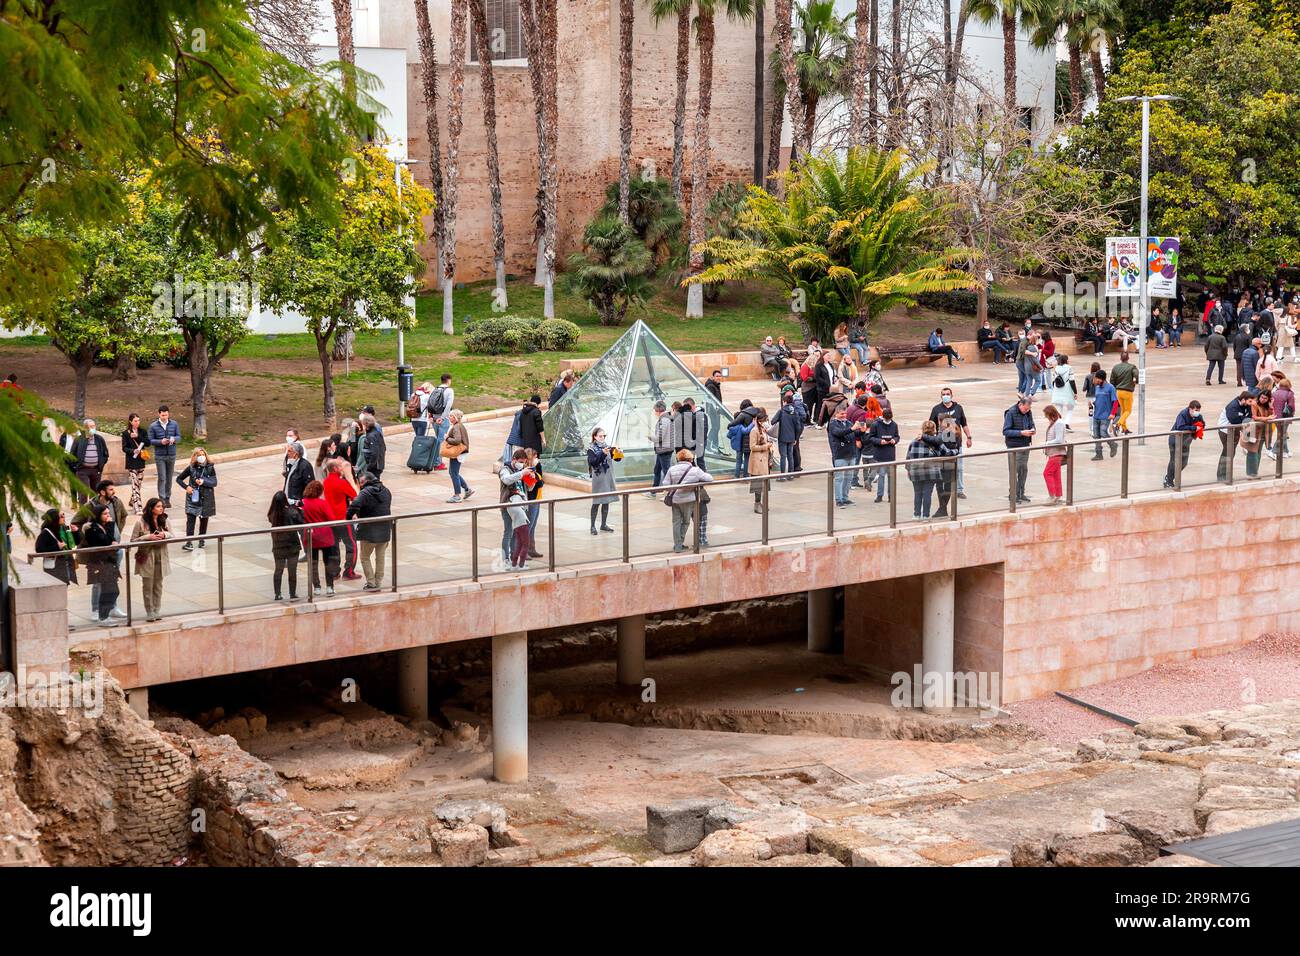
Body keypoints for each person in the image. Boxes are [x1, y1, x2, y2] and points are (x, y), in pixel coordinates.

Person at [348, 471, 392, 590]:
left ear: (363, 482)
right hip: (385, 529)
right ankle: (378, 582)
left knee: (365, 557)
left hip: (369, 531)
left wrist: (349, 516)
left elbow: (355, 504)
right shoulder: (386, 491)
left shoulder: (365, 492)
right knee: (380, 557)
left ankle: (371, 582)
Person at [663, 449, 713, 552]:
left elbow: (665, 484)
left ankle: (677, 545)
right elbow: (709, 478)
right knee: (685, 522)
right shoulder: (695, 470)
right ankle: (680, 542)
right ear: (690, 459)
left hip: (675, 500)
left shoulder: (672, 469)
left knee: (676, 522)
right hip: (689, 500)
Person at [80, 503, 122, 626]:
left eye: (108, 514)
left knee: (113, 590)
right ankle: (102, 617)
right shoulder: (92, 528)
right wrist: (110, 525)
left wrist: (110, 536)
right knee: (108, 590)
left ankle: (105, 615)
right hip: (99, 563)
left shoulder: (103, 526)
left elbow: (110, 539)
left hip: (108, 562)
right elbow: (105, 541)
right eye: (105, 514)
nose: (108, 516)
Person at [130, 497, 171, 622]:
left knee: (158, 585)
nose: (161, 508)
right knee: (148, 585)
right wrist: (148, 537)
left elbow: (172, 535)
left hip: (161, 555)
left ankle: (157, 610)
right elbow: (132, 540)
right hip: (147, 557)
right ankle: (149, 611)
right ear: (151, 508)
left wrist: (164, 534)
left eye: (161, 506)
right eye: (158, 506)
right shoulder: (140, 523)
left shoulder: (164, 520)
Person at [928, 387, 971, 501]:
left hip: (956, 443)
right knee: (943, 468)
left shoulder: (958, 408)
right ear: (941, 396)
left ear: (951, 395)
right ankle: (944, 489)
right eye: (943, 394)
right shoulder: (936, 409)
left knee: (959, 468)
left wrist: (969, 437)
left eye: (947, 394)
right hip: (942, 444)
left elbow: (964, 424)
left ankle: (959, 490)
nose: (945, 396)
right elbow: (931, 425)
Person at [323, 457, 360, 580]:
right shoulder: (341, 482)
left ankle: (334, 573)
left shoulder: (326, 481)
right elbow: (355, 495)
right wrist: (349, 478)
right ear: (334, 468)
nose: (342, 468)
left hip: (330, 520)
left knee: (334, 547)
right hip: (343, 519)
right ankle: (349, 572)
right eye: (340, 466)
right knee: (351, 545)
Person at [300, 480, 339, 595]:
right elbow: (331, 519)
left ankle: (316, 587)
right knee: (328, 562)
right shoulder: (322, 503)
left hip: (310, 536)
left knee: (313, 564)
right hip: (325, 537)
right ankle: (329, 587)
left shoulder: (302, 503)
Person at [175, 448, 217, 549]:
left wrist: (204, 482)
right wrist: (187, 487)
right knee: (190, 519)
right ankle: (189, 542)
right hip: (193, 497)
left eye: (203, 455)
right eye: (199, 455)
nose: (201, 457)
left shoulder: (210, 467)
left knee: (204, 520)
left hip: (206, 497)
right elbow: (179, 479)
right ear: (195, 457)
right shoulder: (191, 468)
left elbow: (214, 482)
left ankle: (201, 539)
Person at [268, 491, 304, 602]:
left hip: (278, 545)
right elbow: (301, 522)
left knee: (278, 570)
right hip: (292, 545)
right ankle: (292, 593)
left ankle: (277, 594)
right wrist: (298, 509)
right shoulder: (291, 512)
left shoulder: (272, 514)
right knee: (292, 571)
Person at [905, 421, 946, 519]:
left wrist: (908, 470)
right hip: (931, 472)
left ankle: (916, 514)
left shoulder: (914, 442)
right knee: (928, 494)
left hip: (916, 471)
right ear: (934, 430)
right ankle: (926, 515)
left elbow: (908, 458)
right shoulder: (936, 443)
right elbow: (946, 452)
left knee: (917, 493)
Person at [1002, 395, 1035, 504]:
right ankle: (1013, 494)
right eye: (1025, 408)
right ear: (1020, 404)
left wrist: (1033, 429)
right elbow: (1005, 431)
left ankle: (1021, 493)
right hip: (1014, 447)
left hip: (1025, 445)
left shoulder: (1028, 412)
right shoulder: (1010, 413)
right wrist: (1021, 433)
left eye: (1028, 409)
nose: (1027, 411)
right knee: (1014, 471)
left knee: (1023, 471)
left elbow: (1032, 423)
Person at [1164, 401, 1203, 488]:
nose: (1197, 412)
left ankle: (1169, 477)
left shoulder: (1198, 416)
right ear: (1190, 409)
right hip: (1175, 440)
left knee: (1184, 462)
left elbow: (1202, 424)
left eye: (1199, 410)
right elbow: (1180, 427)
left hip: (1186, 442)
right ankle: (1169, 481)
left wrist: (1199, 427)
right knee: (1174, 461)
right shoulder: (1183, 414)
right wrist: (1193, 428)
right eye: (1196, 410)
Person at [148, 405, 181, 507]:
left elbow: (179, 436)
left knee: (169, 477)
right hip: (160, 456)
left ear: (168, 414)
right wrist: (160, 441)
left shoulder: (174, 424)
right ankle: (161, 499)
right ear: (159, 414)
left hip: (171, 454)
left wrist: (174, 439)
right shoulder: (153, 426)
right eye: (162, 415)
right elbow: (150, 440)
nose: (164, 417)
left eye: (166, 415)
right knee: (162, 478)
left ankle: (167, 498)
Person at [69, 419, 109, 504]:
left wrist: (101, 464)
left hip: (96, 470)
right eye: (90, 427)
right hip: (82, 470)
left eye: (93, 426)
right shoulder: (79, 439)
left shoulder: (99, 439)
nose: (93, 428)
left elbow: (105, 454)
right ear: (85, 428)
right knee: (83, 493)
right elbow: (72, 454)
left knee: (95, 494)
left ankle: (94, 513)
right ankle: (83, 513)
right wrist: (77, 466)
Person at [827, 403, 860, 507]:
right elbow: (838, 433)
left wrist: (861, 431)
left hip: (851, 454)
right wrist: (852, 429)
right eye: (841, 414)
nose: (844, 416)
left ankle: (845, 498)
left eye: (845, 414)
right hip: (840, 454)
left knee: (848, 477)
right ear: (836, 414)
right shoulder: (832, 424)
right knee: (839, 478)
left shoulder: (849, 423)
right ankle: (838, 499)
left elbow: (854, 434)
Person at [34, 509, 77, 585]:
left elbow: (75, 543)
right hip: (55, 566)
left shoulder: (64, 528)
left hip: (66, 563)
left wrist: (76, 533)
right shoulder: (46, 532)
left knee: (64, 587)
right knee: (58, 589)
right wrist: (56, 547)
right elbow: (39, 549)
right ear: (55, 518)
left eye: (64, 515)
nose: (64, 517)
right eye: (61, 516)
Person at [867, 404, 900, 503]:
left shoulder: (894, 424)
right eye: (887, 419)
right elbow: (871, 437)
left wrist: (894, 440)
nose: (888, 421)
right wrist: (880, 441)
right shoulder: (876, 424)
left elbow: (897, 436)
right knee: (881, 475)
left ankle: (890, 495)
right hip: (880, 453)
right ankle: (879, 495)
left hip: (890, 453)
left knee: (891, 476)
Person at [587, 428, 617, 535]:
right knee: (596, 502)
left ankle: (603, 524)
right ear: (595, 436)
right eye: (600, 436)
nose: (602, 438)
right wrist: (602, 454)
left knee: (606, 500)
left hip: (608, 476)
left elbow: (613, 458)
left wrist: (618, 454)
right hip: (599, 478)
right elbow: (593, 462)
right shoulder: (591, 449)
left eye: (604, 436)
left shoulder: (607, 446)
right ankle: (592, 526)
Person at [120, 414, 149, 515]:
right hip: (131, 462)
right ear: (130, 422)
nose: (137, 422)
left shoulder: (142, 431)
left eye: (138, 420)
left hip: (141, 461)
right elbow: (124, 448)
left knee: (139, 484)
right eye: (135, 421)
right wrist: (133, 451)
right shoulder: (125, 433)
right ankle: (138, 507)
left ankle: (132, 501)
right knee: (135, 485)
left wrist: (138, 437)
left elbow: (148, 443)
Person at [443, 409, 474, 502]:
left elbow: (457, 440)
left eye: (451, 416)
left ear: (456, 417)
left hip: (458, 452)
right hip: (461, 452)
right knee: (453, 472)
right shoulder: (459, 425)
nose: (449, 417)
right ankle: (467, 490)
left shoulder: (456, 427)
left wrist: (447, 438)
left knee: (454, 473)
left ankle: (457, 496)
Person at [771, 392, 804, 478]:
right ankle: (791, 474)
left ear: (784, 401)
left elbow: (773, 421)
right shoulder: (795, 412)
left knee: (783, 456)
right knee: (790, 456)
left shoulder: (781, 411)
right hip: (792, 437)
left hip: (782, 437)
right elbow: (798, 426)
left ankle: (782, 475)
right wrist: (796, 438)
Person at [1089, 371, 1119, 460]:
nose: (1094, 380)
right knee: (1096, 435)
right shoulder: (1097, 387)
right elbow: (1099, 400)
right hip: (1096, 414)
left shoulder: (1110, 388)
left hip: (1106, 415)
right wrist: (1092, 404)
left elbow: (1115, 401)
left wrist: (1113, 413)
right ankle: (1099, 454)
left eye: (1096, 378)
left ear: (1101, 379)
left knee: (1103, 432)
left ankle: (1113, 444)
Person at [647, 400, 674, 496]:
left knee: (666, 472)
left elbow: (659, 437)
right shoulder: (667, 418)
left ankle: (670, 493)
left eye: (654, 410)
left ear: (658, 409)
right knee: (657, 470)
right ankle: (654, 491)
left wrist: (650, 437)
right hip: (663, 449)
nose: (654, 412)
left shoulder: (664, 420)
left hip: (664, 450)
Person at [1041, 404, 1067, 505]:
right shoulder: (1055, 422)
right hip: (1054, 453)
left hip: (1057, 453)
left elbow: (1060, 440)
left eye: (1046, 415)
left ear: (1051, 414)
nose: (1046, 417)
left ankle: (1052, 496)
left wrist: (1047, 443)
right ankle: (1058, 495)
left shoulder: (1058, 423)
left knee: (1047, 473)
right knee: (1056, 475)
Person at [748, 409, 773, 513]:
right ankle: (757, 504)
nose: (766, 422)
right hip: (757, 461)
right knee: (758, 485)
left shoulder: (762, 430)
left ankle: (762, 503)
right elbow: (752, 447)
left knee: (765, 484)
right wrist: (766, 446)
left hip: (764, 460)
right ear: (759, 421)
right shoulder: (754, 431)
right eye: (764, 420)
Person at [726, 400, 759, 478]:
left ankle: (736, 476)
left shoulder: (742, 415)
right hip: (751, 440)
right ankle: (746, 475)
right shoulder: (756, 413)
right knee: (747, 459)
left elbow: (733, 424)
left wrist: (729, 426)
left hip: (740, 443)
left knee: (738, 461)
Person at [1048, 354, 1077, 430]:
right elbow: (1072, 381)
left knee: (1059, 408)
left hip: (1057, 389)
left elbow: (1054, 381)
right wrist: (1075, 392)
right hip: (1067, 389)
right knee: (1070, 407)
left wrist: (1055, 390)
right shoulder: (1069, 368)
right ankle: (1066, 423)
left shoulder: (1056, 368)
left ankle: (1058, 425)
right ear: (1066, 360)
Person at [1110, 351, 1137, 434]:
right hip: (1127, 392)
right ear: (1128, 358)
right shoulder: (1132, 367)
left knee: (1123, 410)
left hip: (1118, 392)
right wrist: (1135, 379)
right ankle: (1118, 424)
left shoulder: (1115, 367)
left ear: (1120, 358)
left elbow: (1112, 381)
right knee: (1128, 411)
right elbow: (1136, 375)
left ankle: (1124, 429)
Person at [1268, 378, 1293, 459]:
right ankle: (1273, 451)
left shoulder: (1274, 393)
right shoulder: (1289, 394)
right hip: (1285, 417)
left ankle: (1286, 451)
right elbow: (1291, 407)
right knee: (1282, 434)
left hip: (1275, 417)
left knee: (1283, 433)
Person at [284, 441, 315, 505]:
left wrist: (302, 502)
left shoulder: (305, 466)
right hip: (289, 501)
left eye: (289, 451)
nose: (287, 453)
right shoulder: (291, 464)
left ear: (296, 453)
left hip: (297, 503)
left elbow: (310, 486)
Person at [359, 412, 386, 479]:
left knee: (374, 484)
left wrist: (370, 466)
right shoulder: (376, 433)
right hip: (377, 465)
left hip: (375, 467)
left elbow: (375, 453)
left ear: (366, 425)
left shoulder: (371, 436)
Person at [704, 370, 724, 456]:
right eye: (717, 376)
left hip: (716, 410)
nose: (718, 377)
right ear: (713, 377)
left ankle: (715, 445)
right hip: (713, 410)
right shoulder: (711, 386)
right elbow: (710, 399)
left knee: (717, 427)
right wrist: (716, 409)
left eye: (720, 376)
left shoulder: (715, 385)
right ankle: (708, 445)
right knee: (715, 427)